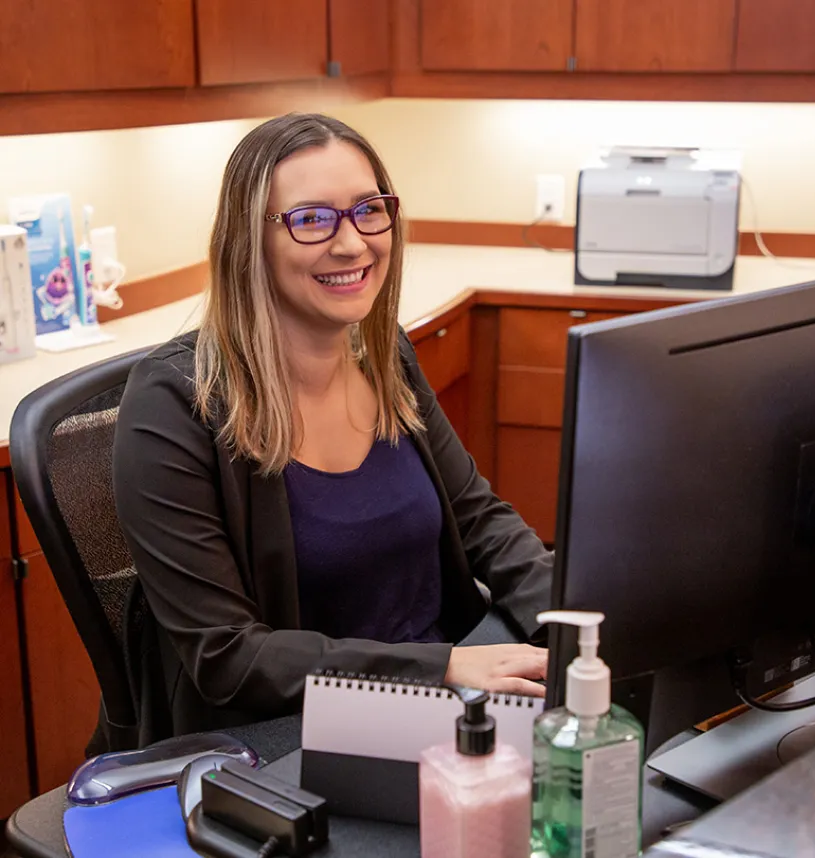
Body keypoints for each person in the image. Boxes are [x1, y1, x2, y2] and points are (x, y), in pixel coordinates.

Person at [113, 113, 553, 740]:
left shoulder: (384, 355)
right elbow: (228, 658)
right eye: (311, 219)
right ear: (250, 241)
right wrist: (444, 668)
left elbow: (479, 517)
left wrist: (569, 621)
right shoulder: (177, 403)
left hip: (444, 696)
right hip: (291, 735)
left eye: (368, 210)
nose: (352, 243)